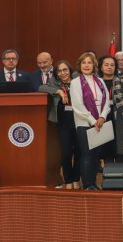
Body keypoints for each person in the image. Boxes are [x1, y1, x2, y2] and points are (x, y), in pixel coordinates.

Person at [69, 52, 111, 190]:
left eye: (89, 62)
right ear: (79, 65)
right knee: (87, 155)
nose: (87, 65)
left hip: (100, 123)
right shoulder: (75, 82)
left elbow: (107, 104)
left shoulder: (100, 81)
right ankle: (87, 184)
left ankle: (93, 182)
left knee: (96, 156)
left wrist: (103, 117)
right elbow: (77, 106)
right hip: (84, 124)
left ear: (94, 65)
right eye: (84, 62)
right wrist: (93, 121)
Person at [39, 60, 80, 189]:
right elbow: (41, 88)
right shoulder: (54, 82)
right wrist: (59, 92)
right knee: (66, 153)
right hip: (62, 123)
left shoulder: (77, 80)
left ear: (70, 70)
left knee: (79, 152)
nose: (63, 73)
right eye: (59, 71)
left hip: (79, 121)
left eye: (65, 70)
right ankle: (68, 180)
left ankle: (76, 178)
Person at [98, 55, 119, 163]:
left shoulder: (121, 81)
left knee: (118, 148)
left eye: (112, 65)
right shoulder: (97, 83)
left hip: (118, 118)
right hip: (103, 117)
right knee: (107, 149)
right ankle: (108, 176)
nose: (109, 67)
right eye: (106, 65)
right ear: (101, 67)